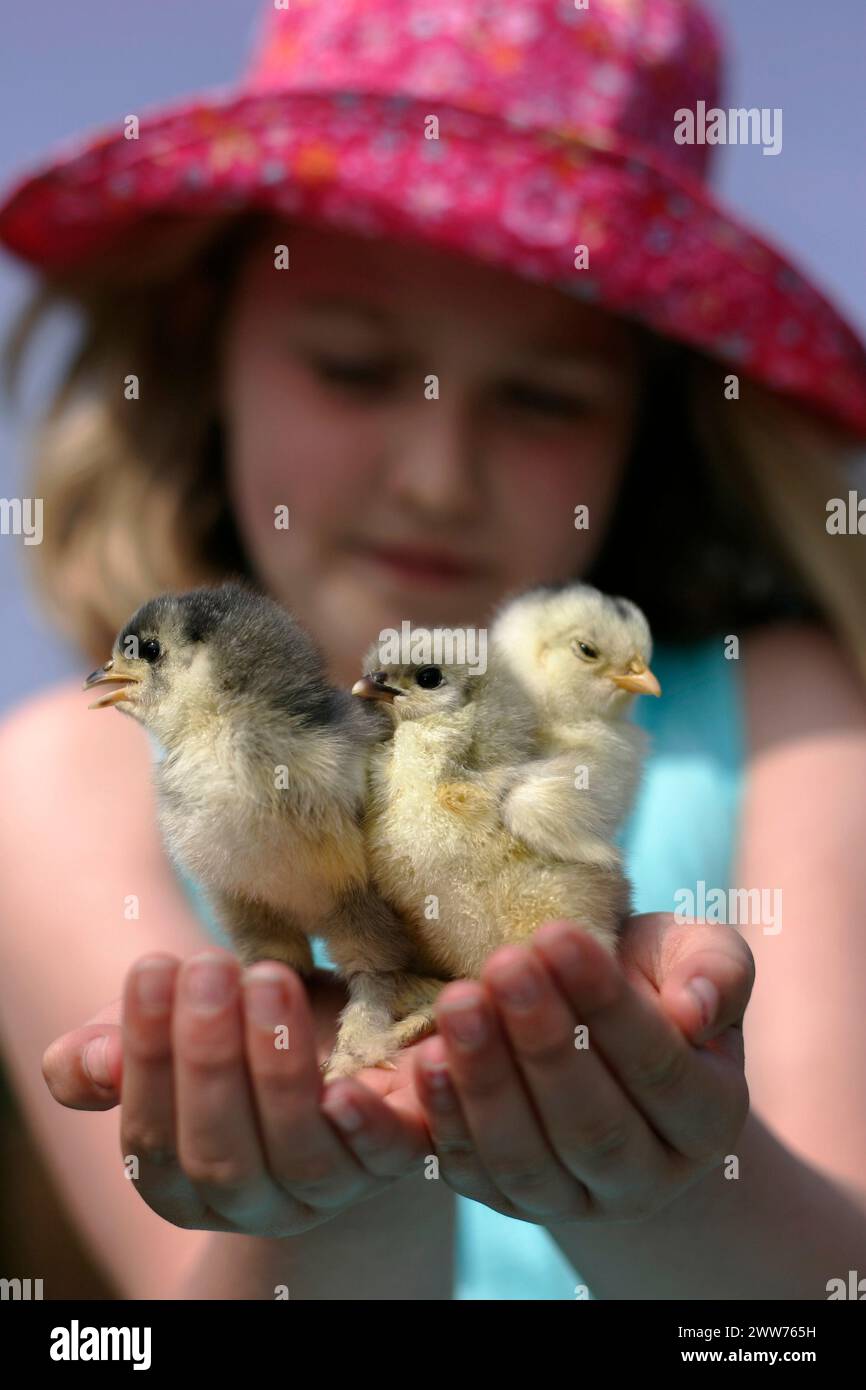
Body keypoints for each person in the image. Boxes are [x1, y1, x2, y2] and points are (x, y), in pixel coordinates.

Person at [0, 0, 865, 1301]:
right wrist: (325, 1194)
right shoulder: (49, 785)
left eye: (540, 398)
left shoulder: (788, 707)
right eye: (354, 366)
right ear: (198, 341)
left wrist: (674, 1185)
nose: (433, 478)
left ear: (653, 412)